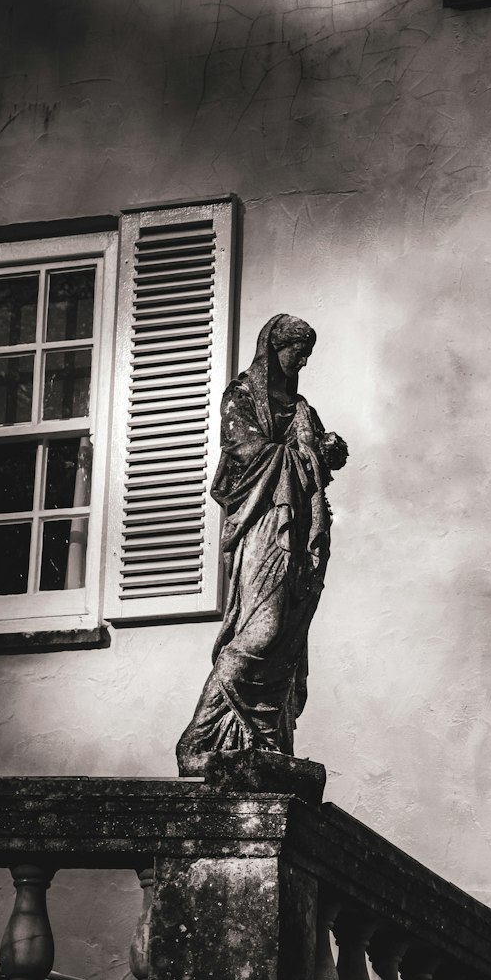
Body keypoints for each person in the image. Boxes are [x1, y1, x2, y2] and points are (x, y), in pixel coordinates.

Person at [176, 313, 348, 774]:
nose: (304, 362)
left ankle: (265, 738)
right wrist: (307, 455)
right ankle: (196, 740)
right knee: (262, 631)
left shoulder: (303, 409)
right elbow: (246, 454)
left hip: (303, 536)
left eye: (309, 353)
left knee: (285, 642)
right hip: (267, 524)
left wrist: (328, 450)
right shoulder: (243, 398)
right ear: (275, 347)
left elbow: (315, 465)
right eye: (299, 351)